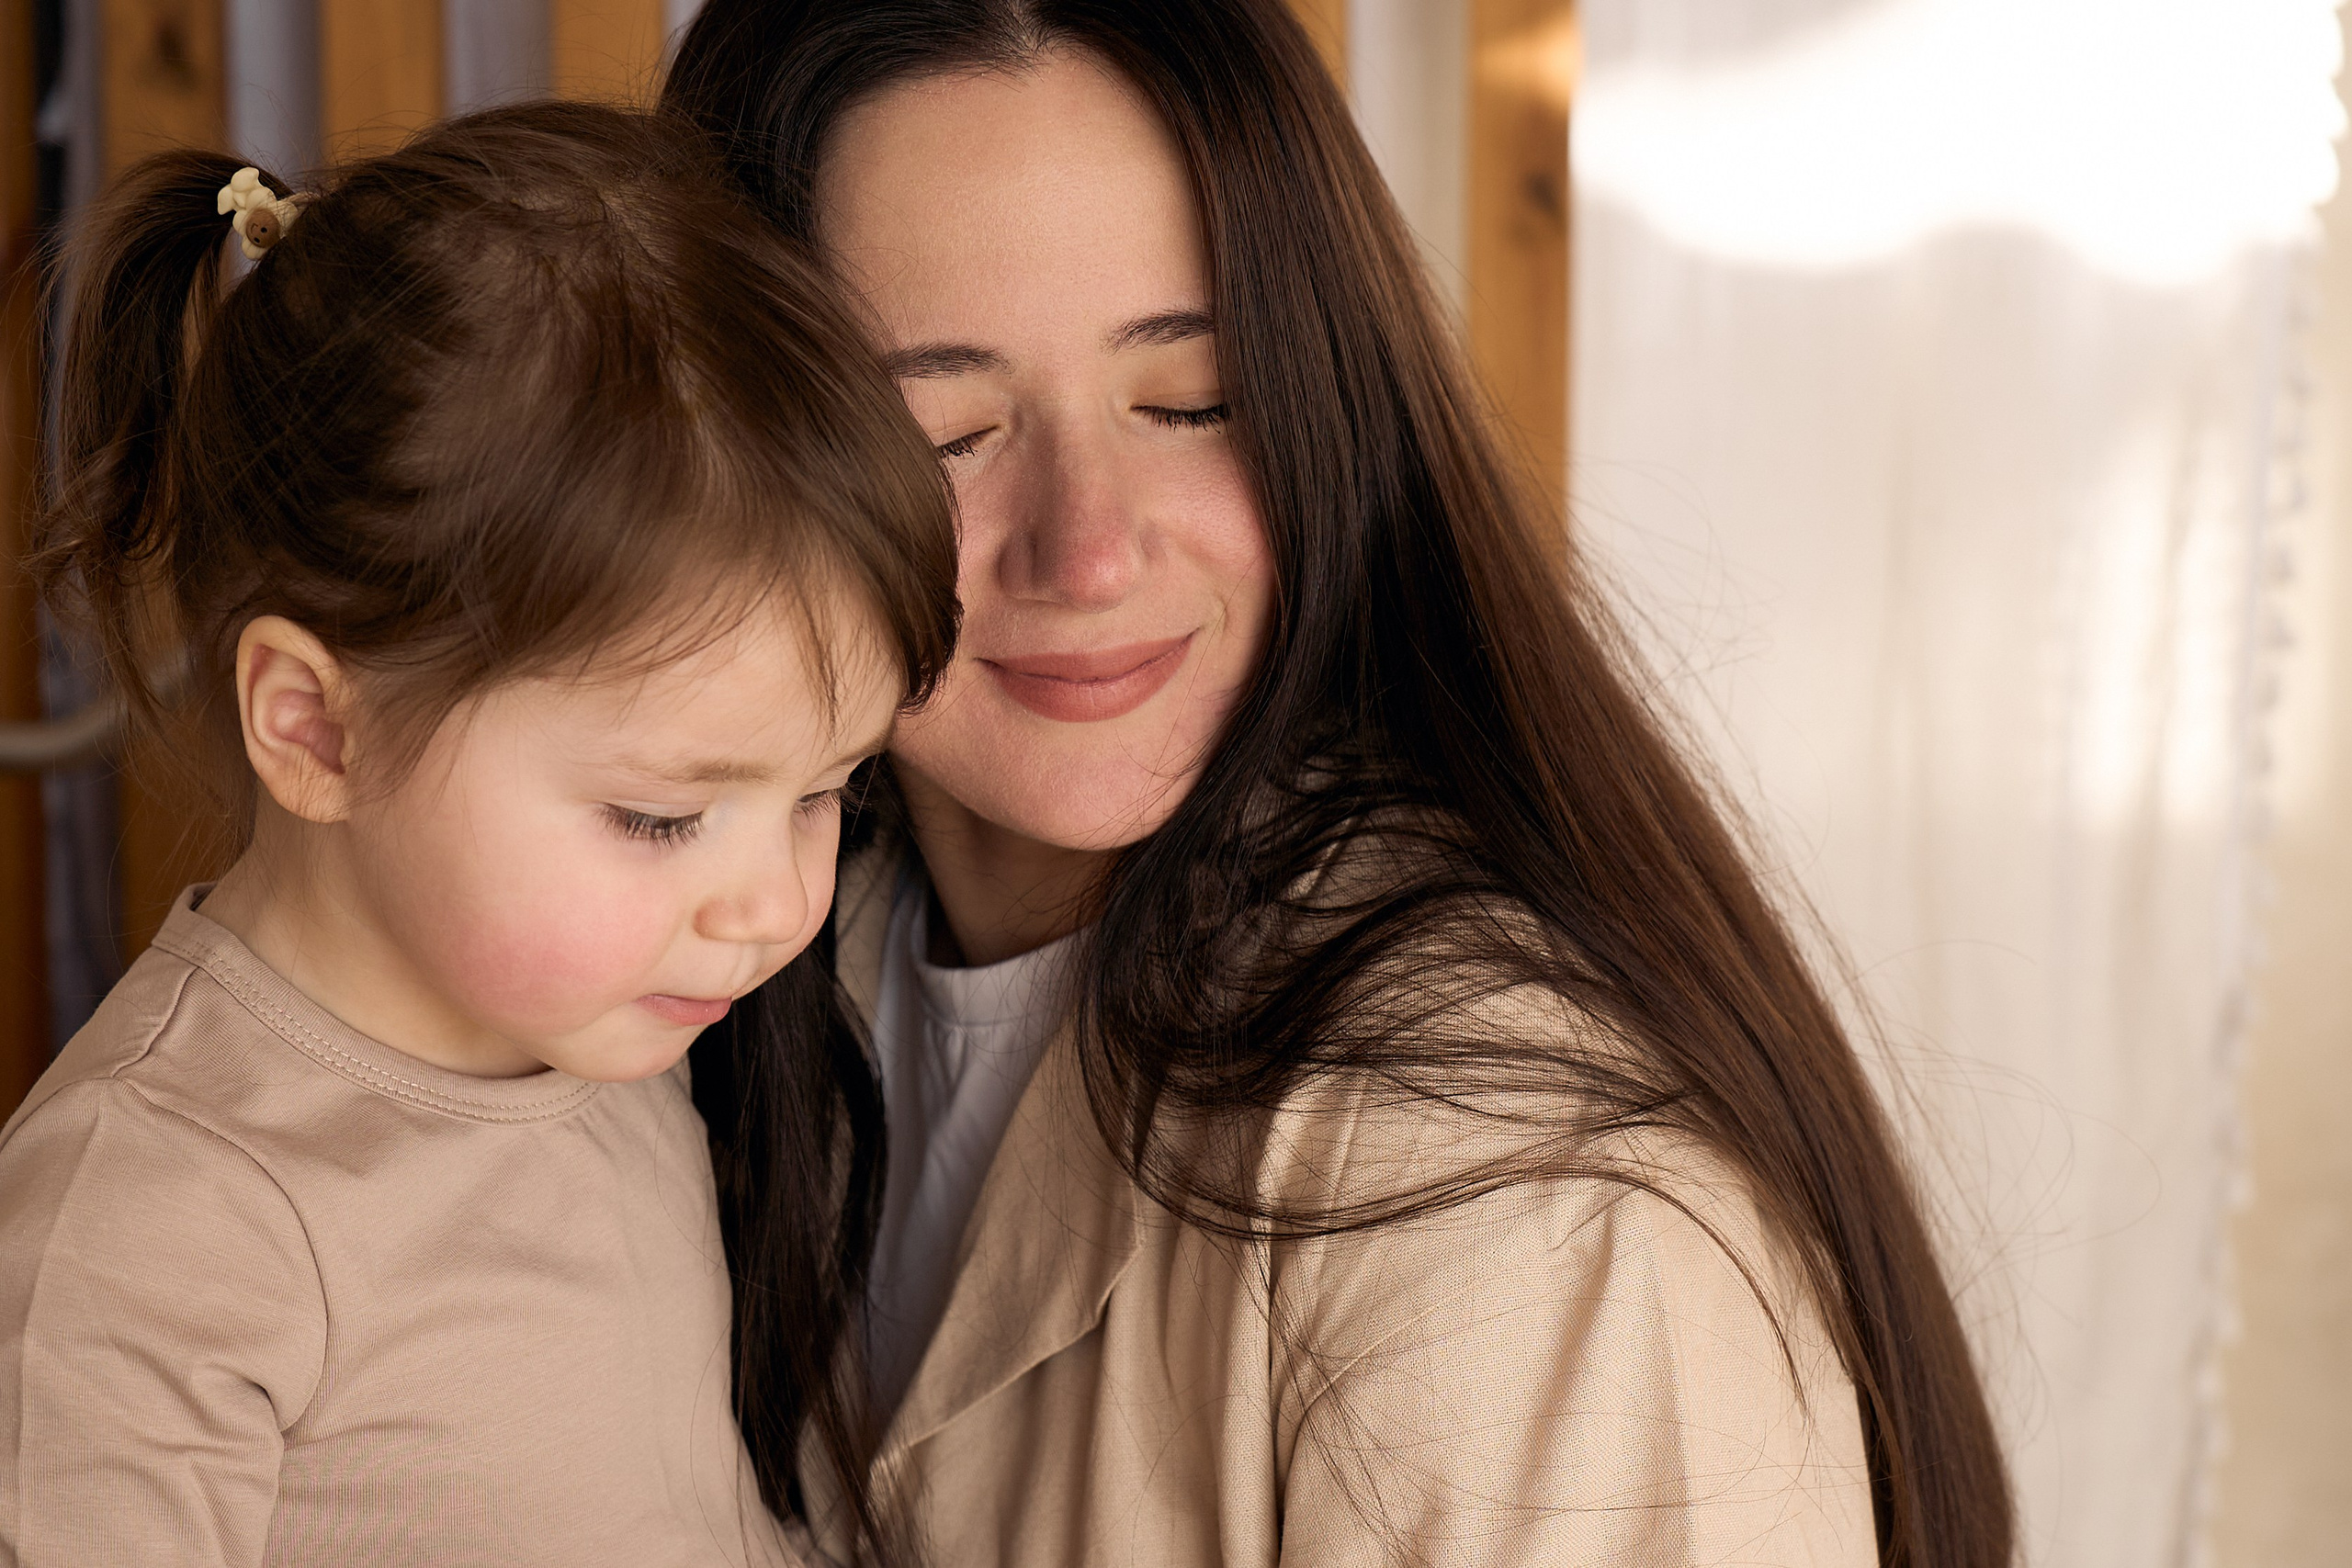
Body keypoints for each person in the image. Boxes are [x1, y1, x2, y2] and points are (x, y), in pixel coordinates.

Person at [667, 3, 2014, 1564]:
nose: (1089, 550)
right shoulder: (692, 962)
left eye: (1192, 403)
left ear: (1326, 405)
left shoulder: (1519, 1197)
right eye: (944, 435)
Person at [0, 102, 957, 1565]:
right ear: (319, 728)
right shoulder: (150, 1230)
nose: (775, 904)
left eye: (827, 792)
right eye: (664, 816)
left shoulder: (591, 1032)